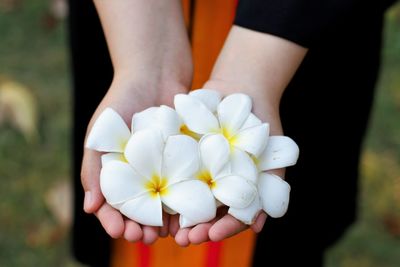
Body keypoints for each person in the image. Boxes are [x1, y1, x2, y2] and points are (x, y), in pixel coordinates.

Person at [69, 0, 397, 266]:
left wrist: (256, 66)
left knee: (281, 246)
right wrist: (143, 61)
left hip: (291, 34)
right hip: (131, 20)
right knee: (126, 244)